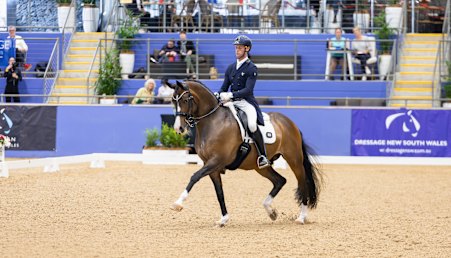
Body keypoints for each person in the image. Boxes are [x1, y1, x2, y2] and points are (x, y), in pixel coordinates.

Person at [215, 35, 270, 169]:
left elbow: (248, 90)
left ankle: (263, 156)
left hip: (246, 102)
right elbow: (224, 86)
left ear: (247, 49)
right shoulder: (231, 68)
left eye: (239, 48)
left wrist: (231, 95)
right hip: (231, 102)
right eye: (236, 48)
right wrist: (218, 93)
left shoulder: (252, 68)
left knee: (251, 125)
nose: (237, 50)